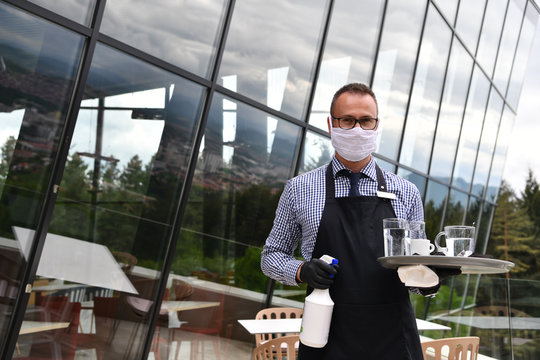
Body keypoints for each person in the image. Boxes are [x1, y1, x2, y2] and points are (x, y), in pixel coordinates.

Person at [261, 83, 435, 359]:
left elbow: (414, 272)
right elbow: (271, 257)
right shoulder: (299, 189)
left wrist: (431, 279)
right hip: (324, 336)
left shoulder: (406, 192)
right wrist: (301, 270)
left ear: (377, 125)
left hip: (393, 341)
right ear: (331, 125)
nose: (357, 129)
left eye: (366, 121)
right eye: (347, 120)